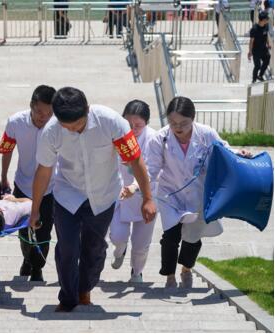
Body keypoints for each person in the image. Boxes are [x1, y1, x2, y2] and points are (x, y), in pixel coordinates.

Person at [30, 87, 157, 312]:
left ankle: (84, 289)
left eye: (77, 124)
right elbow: (43, 171)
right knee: (67, 248)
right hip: (67, 194)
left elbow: (135, 160)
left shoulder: (111, 122)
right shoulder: (51, 131)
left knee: (94, 248)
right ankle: (68, 298)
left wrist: (147, 198)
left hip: (104, 194)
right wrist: (35, 209)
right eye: (66, 126)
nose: (73, 130)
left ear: (87, 110)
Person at [146, 96, 251, 289]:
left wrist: (239, 153)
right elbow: (150, 169)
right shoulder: (159, 139)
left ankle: (186, 268)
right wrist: (138, 187)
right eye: (173, 123)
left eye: (184, 123)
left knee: (193, 238)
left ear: (193, 118)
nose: (178, 128)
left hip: (198, 194)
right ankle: (169, 276)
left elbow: (223, 151)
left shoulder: (206, 134)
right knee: (170, 237)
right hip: (171, 194)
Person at [0, 85, 56, 282]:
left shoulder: (59, 125)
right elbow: (7, 149)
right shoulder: (15, 122)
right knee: (23, 228)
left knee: (44, 230)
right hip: (23, 185)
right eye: (39, 111)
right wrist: (4, 175)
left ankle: (37, 267)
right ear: (31, 105)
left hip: (50, 188)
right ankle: (28, 259)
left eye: (49, 113)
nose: (43, 117)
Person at [108, 100, 157, 283]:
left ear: (146, 123)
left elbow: (152, 169)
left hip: (145, 196)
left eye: (139, 125)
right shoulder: (114, 135)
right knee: (117, 236)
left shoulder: (153, 139)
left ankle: (137, 273)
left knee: (141, 245)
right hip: (119, 194)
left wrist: (135, 186)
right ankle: (120, 250)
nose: (133, 129)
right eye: (129, 124)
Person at [248, 11, 272, 83]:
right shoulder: (254, 29)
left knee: (267, 58)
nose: (268, 20)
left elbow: (266, 35)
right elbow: (251, 41)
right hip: (256, 50)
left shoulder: (266, 26)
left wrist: (268, 43)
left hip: (264, 49)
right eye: (267, 19)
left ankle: (260, 75)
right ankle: (254, 79)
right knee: (257, 66)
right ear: (263, 20)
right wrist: (250, 52)